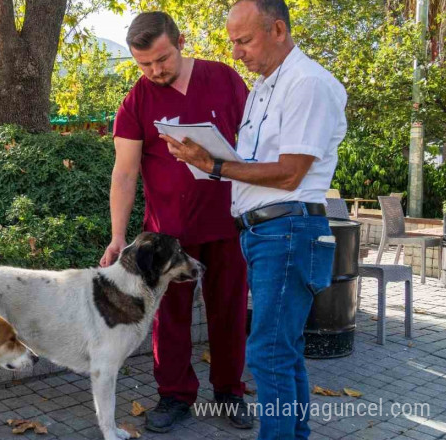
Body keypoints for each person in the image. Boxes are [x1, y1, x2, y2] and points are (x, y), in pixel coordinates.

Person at [164, 1, 347, 438]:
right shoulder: (266, 88)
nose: (236, 53)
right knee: (281, 351)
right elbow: (261, 163)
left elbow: (290, 172)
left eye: (244, 41)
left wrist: (214, 165)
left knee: (266, 353)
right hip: (266, 232)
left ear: (278, 30)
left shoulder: (306, 84)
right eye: (232, 43)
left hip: (288, 230)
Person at [100, 11, 253, 433]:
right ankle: (174, 396)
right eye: (144, 64)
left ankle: (229, 392)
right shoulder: (137, 100)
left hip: (228, 222)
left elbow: (256, 143)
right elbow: (124, 174)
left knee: (230, 311)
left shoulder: (224, 79)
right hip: (168, 236)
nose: (154, 70)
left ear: (180, 41)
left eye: (162, 59)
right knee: (168, 318)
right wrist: (118, 236)